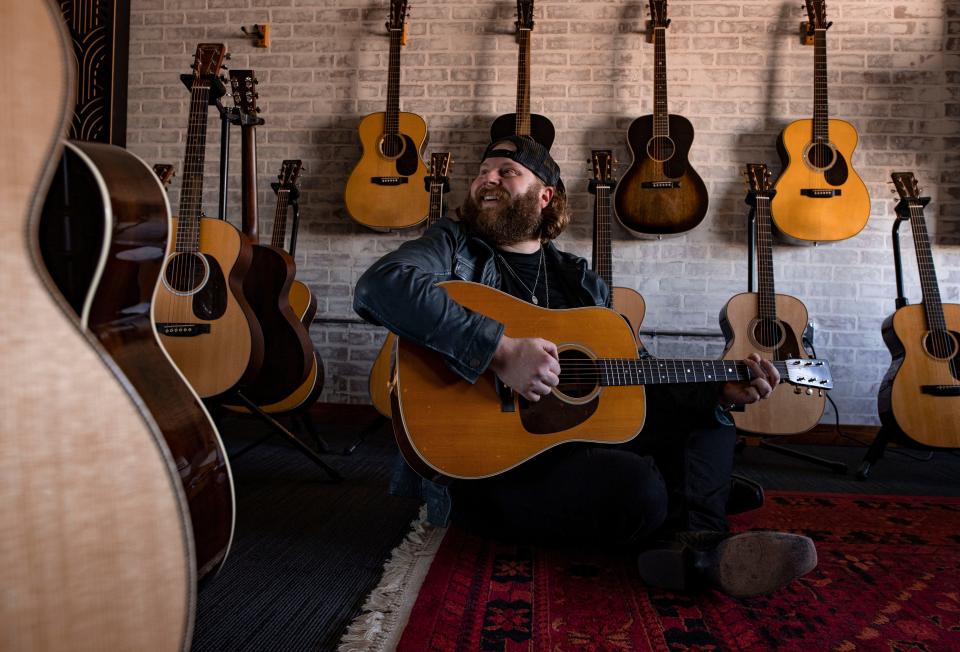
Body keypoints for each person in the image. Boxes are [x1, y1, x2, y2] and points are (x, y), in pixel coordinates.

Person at [353, 135, 817, 598]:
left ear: (545, 195)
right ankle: (693, 501)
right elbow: (380, 286)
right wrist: (501, 351)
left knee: (710, 420)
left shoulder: (580, 282)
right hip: (491, 469)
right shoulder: (451, 244)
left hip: (575, 443)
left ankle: (699, 551)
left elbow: (636, 372)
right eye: (482, 171)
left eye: (506, 171)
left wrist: (716, 391)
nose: (486, 179)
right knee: (639, 488)